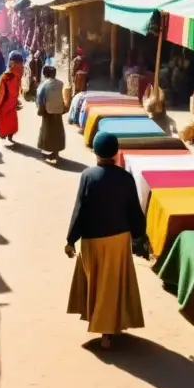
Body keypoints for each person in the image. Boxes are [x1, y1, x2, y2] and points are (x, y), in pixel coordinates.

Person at [65, 132, 146, 348]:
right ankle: (110, 328)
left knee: (98, 284)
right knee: (113, 284)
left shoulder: (88, 176)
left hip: (92, 240)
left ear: (95, 152)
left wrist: (70, 239)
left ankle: (104, 331)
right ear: (116, 153)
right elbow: (134, 210)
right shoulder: (125, 177)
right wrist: (139, 235)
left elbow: (80, 210)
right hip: (119, 240)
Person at [0, 51, 24, 143]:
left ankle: (4, 134)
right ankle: (10, 135)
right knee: (12, 119)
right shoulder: (19, 74)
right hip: (12, 101)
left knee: (3, 118)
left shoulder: (6, 76)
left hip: (5, 101)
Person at [36, 65, 66, 161]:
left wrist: (40, 110)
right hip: (59, 111)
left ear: (45, 74)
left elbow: (40, 99)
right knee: (57, 131)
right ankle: (55, 152)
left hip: (48, 112)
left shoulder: (44, 85)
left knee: (47, 132)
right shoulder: (61, 83)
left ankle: (50, 152)